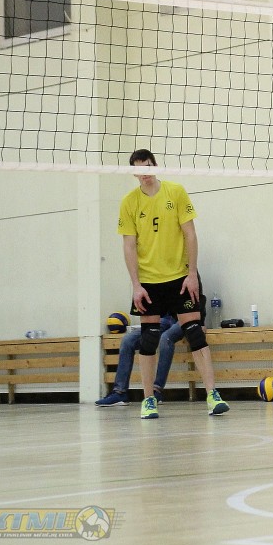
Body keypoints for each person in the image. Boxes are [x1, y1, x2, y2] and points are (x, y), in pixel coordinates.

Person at [118, 149, 228, 419]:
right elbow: (129, 246)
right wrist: (135, 285)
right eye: (138, 169)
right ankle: (148, 400)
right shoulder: (129, 203)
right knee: (148, 339)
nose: (144, 173)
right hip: (149, 282)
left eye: (147, 166)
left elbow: (190, 234)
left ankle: (212, 395)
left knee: (195, 332)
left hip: (179, 277)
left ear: (155, 166)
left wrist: (192, 274)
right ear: (133, 173)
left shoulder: (175, 192)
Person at [96, 314, 177, 406]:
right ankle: (120, 392)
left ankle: (156, 390)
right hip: (162, 318)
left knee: (165, 338)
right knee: (127, 340)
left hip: (182, 318)